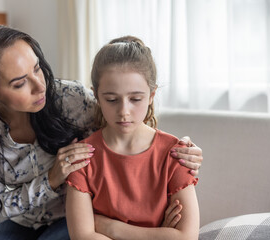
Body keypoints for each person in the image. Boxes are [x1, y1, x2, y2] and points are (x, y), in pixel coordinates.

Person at [0, 25, 202, 240]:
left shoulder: (72, 100)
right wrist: (52, 179)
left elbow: (125, 128)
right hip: (22, 220)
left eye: (37, 68)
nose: (40, 85)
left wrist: (182, 152)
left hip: (74, 214)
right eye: (20, 83)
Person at [66, 36, 199, 239]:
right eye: (111, 99)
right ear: (96, 96)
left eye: (135, 99)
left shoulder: (175, 154)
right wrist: (158, 235)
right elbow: (83, 237)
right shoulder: (83, 157)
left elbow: (186, 237)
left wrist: (110, 228)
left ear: (151, 95)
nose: (124, 111)